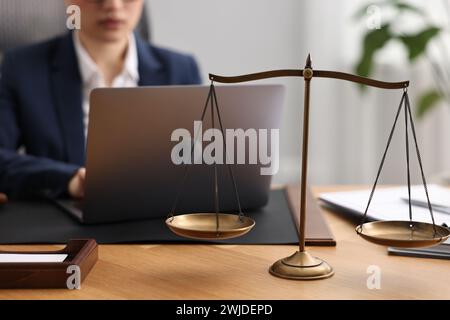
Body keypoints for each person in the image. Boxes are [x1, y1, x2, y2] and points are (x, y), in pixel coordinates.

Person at [0, 0, 201, 200]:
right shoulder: (21, 68)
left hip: (156, 217)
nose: (113, 5)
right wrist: (69, 180)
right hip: (63, 221)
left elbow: (199, 162)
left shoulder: (181, 69)